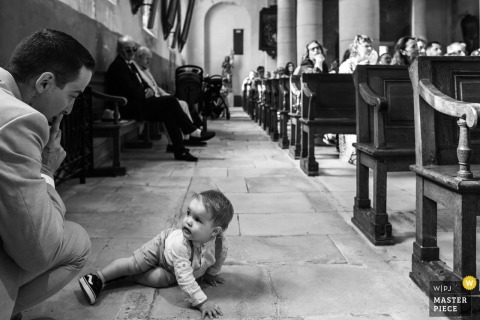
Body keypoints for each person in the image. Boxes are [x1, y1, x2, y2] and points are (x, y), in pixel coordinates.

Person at [0, 29, 94, 320]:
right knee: (75, 241)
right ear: (45, 82)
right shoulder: (20, 119)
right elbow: (38, 251)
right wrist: (46, 170)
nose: (69, 108)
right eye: (73, 95)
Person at [79, 189, 234, 320]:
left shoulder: (219, 243)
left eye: (197, 219)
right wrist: (202, 302)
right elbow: (185, 279)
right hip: (161, 247)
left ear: (214, 232)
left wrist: (211, 274)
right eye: (188, 213)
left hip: (173, 267)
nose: (187, 221)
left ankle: (127, 276)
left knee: (161, 280)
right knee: (134, 264)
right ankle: (97, 278)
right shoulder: (182, 244)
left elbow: (218, 258)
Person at [106, 35, 214, 162]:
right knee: (170, 101)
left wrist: (148, 90)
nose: (131, 53)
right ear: (119, 49)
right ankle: (192, 131)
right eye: (127, 49)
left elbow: (141, 85)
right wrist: (145, 93)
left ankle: (180, 151)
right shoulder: (119, 66)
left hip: (137, 104)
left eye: (133, 49)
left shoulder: (127, 65)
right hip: (126, 107)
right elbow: (132, 90)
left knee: (168, 112)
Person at [133, 46, 199, 152]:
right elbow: (144, 89)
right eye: (147, 59)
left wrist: (167, 95)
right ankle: (185, 136)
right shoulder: (136, 69)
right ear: (139, 57)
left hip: (157, 98)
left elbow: (155, 86)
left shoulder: (146, 69)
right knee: (171, 107)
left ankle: (187, 136)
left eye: (150, 59)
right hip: (148, 101)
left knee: (183, 103)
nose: (149, 62)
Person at [338, 34, 379, 164]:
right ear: (356, 47)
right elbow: (345, 89)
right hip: (352, 105)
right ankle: (354, 153)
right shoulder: (348, 64)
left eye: (370, 46)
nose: (369, 49)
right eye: (366, 46)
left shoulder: (372, 64)